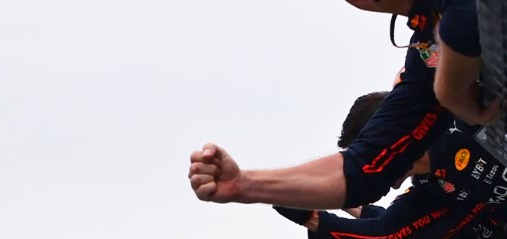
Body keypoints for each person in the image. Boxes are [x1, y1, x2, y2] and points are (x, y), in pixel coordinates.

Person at [188, 0, 489, 211]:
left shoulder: (445, 34)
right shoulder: (424, 57)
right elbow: (363, 169)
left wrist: (450, 91)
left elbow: (467, 20)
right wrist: (245, 184)